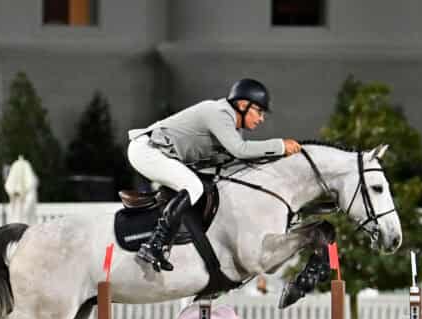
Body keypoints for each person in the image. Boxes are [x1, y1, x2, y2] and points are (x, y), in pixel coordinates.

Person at [127, 78, 302, 272]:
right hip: (147, 151)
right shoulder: (218, 113)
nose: (261, 119)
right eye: (259, 111)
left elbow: (233, 162)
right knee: (194, 187)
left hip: (160, 153)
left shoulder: (231, 126)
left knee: (204, 186)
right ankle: (154, 245)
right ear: (243, 105)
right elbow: (241, 150)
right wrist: (279, 145)